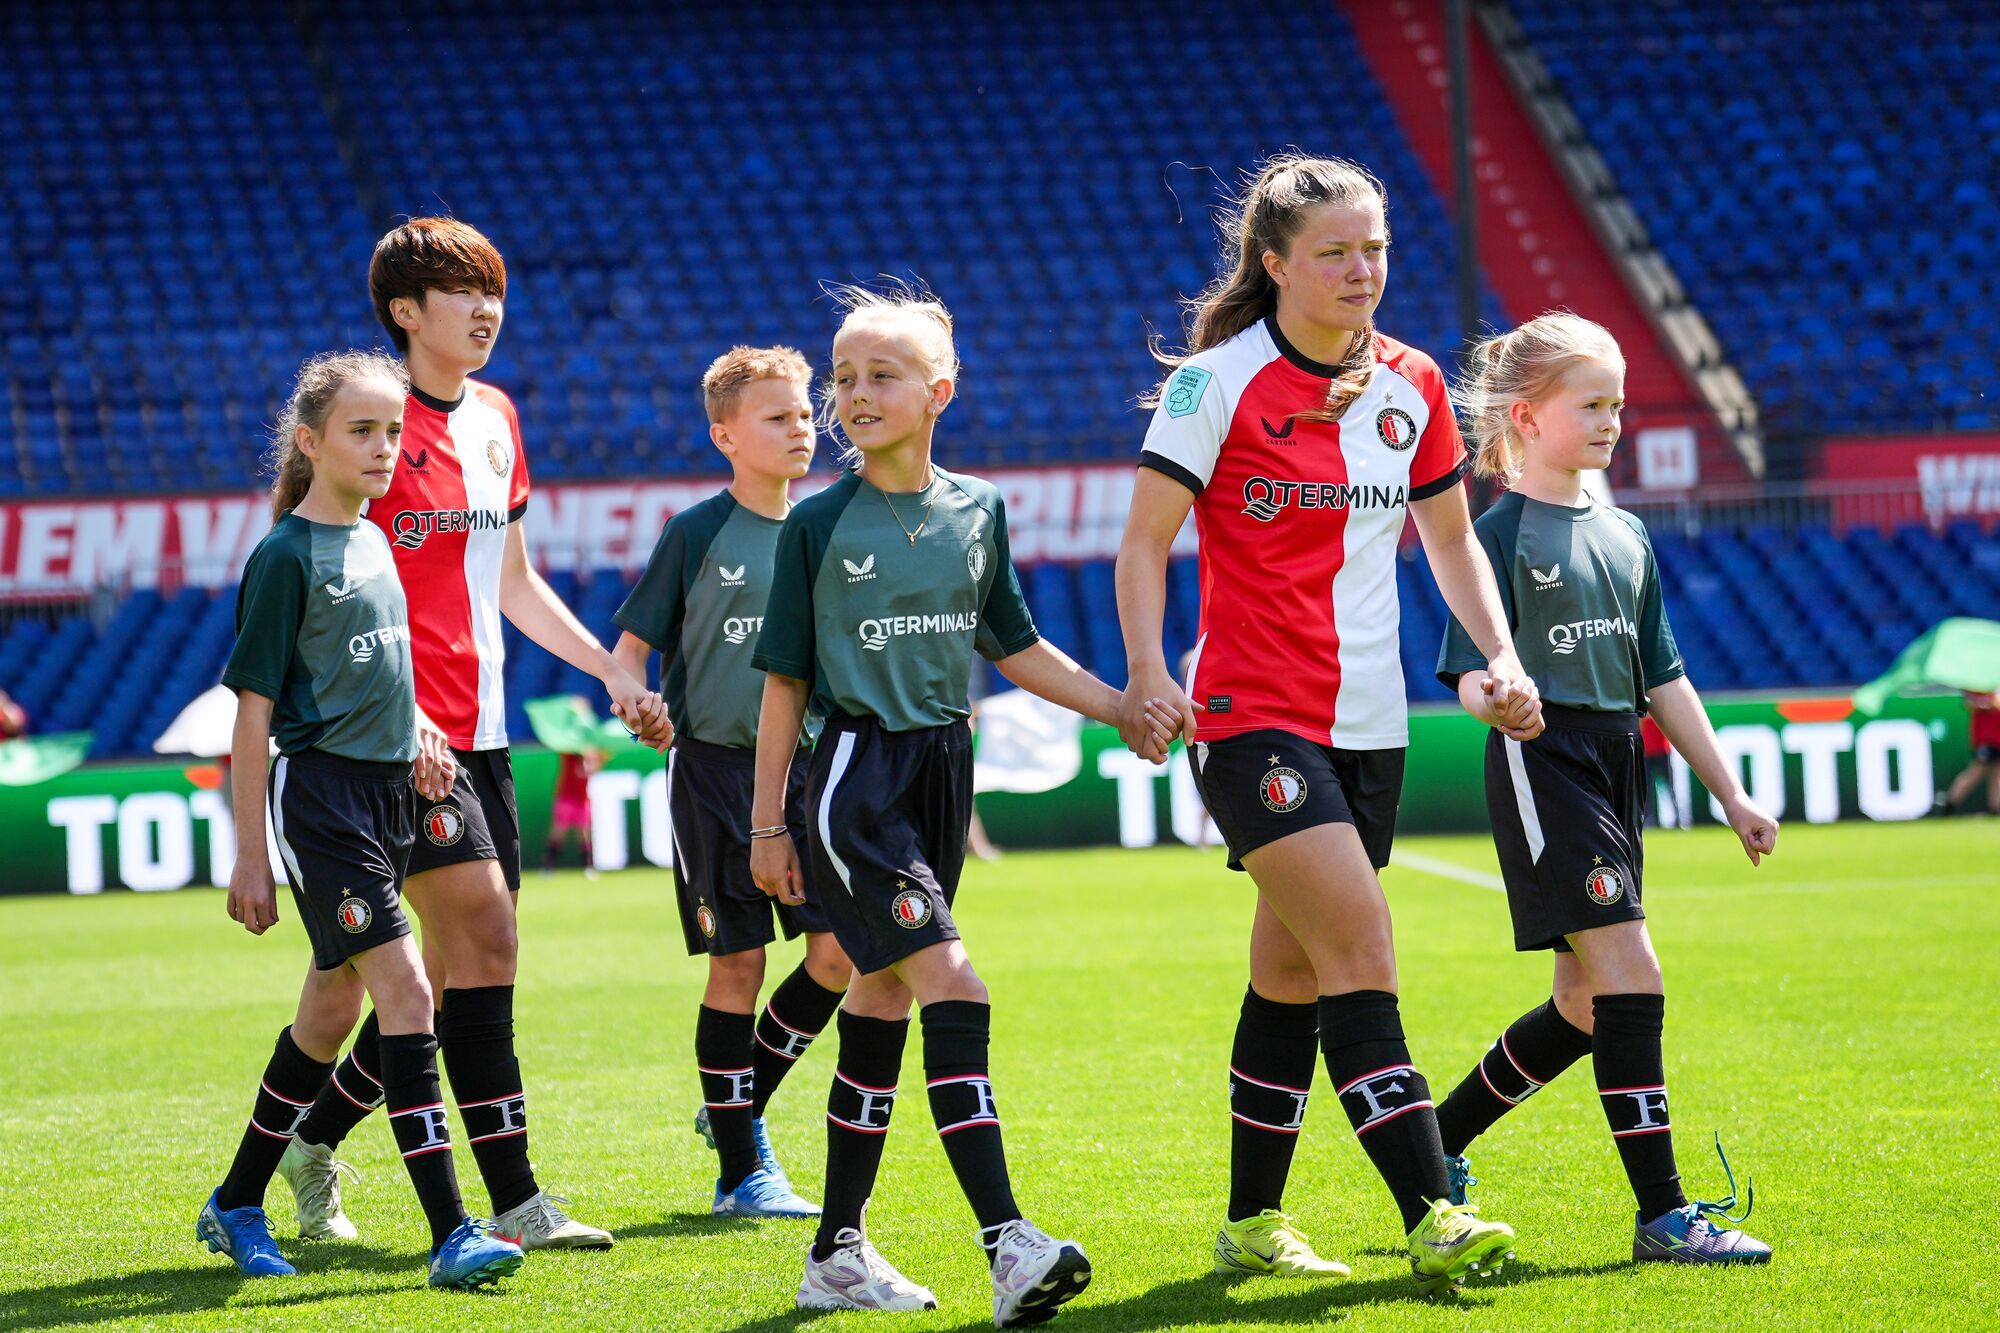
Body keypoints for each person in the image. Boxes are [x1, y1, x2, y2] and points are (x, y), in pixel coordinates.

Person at [1113, 153, 1534, 1293]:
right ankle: (1434, 1207)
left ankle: (1251, 1220)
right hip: (1249, 717)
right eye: (1334, 252)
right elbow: (1143, 542)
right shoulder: (1216, 384)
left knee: (1292, 973)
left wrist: (1495, 657)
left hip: (1371, 723)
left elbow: (1450, 544)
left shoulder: (1413, 387)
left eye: (1375, 249)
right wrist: (1150, 671)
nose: (1362, 270)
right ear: (1273, 264)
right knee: (1361, 949)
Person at [749, 283, 1178, 1323]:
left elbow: (1015, 646)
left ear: (940, 388)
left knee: (884, 996)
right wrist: (767, 822)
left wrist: (1121, 704)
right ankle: (1007, 1242)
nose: (854, 393)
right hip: (854, 780)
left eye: (880, 374)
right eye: (841, 376)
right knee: (955, 986)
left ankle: (835, 1254)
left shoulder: (977, 506)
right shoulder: (815, 524)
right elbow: (783, 682)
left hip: (945, 768)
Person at [275, 218, 669, 1251]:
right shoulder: (371, 426)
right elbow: (325, 590)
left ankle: (305, 1143)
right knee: (485, 942)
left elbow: (514, 580)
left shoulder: (495, 416)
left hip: (483, 736)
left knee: (413, 981)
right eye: (462, 291)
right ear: (406, 312)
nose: (487, 308)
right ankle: (516, 1203)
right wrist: (398, 718)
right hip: (394, 741)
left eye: (493, 289)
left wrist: (611, 667)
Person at [1430, 312, 1776, 1265]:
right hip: (1545, 761)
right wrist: (1493, 695)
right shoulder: (1491, 533)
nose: (1612, 420)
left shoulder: (1625, 533)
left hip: (1618, 760)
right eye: (1593, 403)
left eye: (1619, 403)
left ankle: (1435, 1145)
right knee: (1634, 973)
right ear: (1529, 416)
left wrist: (1732, 795)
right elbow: (1462, 667)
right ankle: (1665, 1217)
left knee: (1585, 1005)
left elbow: (1667, 680)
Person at [197, 349, 523, 1289]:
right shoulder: (285, 557)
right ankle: (453, 1230)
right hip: (326, 803)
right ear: (310, 442)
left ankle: (236, 1199)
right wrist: (250, 856)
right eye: (362, 431)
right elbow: (253, 715)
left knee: (332, 1007)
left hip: (394, 791)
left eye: (392, 432)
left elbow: (379, 664)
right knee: (409, 990)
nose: (385, 448)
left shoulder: (377, 539)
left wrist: (420, 725)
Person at [610, 345, 851, 1220]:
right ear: (725, 435)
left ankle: (736, 1108)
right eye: (777, 416)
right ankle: (742, 1171)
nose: (800, 429)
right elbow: (630, 648)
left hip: (810, 774)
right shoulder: (696, 532)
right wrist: (634, 696)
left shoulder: (829, 527)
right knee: (738, 963)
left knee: (839, 953)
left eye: (802, 414)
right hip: (711, 771)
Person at [541, 745, 602, 876]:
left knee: (584, 835)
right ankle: (548, 867)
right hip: (566, 799)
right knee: (558, 833)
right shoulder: (569, 756)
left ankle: (589, 867)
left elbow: (602, 757)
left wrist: (591, 756)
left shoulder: (592, 757)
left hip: (582, 800)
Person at [1940, 689, 2000, 814]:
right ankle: (1950, 802)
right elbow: (1968, 702)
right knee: (1976, 772)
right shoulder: (1978, 686)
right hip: (1986, 737)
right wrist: (1989, 703)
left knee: (1996, 773)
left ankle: (1996, 807)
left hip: (1997, 736)